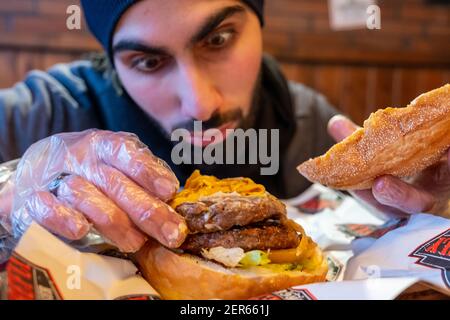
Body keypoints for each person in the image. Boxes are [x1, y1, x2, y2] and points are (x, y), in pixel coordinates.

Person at [0, 0, 448, 262]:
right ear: (114, 62)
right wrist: (12, 193)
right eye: (149, 62)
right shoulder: (43, 112)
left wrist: (430, 224)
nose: (201, 104)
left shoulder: (308, 122)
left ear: (260, 24)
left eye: (218, 39)